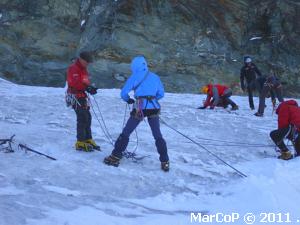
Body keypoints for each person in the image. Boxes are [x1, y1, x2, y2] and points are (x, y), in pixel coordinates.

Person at [103, 56, 170, 172]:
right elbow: (161, 94)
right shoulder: (155, 77)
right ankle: (165, 161)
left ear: (134, 66)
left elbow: (124, 93)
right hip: (153, 108)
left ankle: (115, 156)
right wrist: (152, 99)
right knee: (157, 135)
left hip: (140, 108)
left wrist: (128, 99)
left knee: (126, 132)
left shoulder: (134, 76)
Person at [66, 51, 100, 151]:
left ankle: (88, 139)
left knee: (88, 117)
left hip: (82, 95)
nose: (88, 63)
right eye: (87, 61)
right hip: (75, 95)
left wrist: (90, 87)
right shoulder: (73, 68)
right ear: (81, 59)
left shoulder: (83, 69)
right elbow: (74, 83)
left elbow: (85, 82)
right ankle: (80, 141)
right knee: (82, 117)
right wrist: (87, 88)